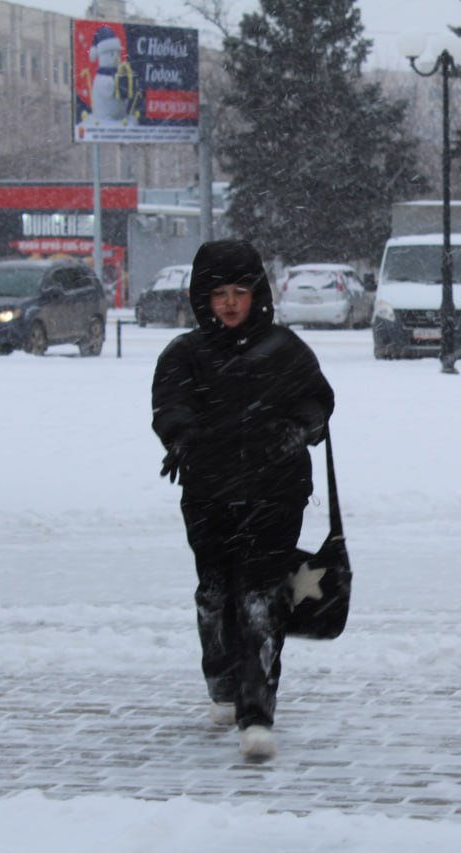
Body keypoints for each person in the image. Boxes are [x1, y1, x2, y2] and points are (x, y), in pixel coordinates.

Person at [152, 239, 335, 760]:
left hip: (276, 495)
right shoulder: (185, 355)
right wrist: (180, 437)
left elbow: (319, 403)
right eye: (219, 294)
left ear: (258, 295)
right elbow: (169, 405)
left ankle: (258, 711)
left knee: (261, 600)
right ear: (201, 299)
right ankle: (222, 678)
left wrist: (300, 430)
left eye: (240, 292)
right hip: (208, 495)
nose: (230, 303)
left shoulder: (286, 350)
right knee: (215, 596)